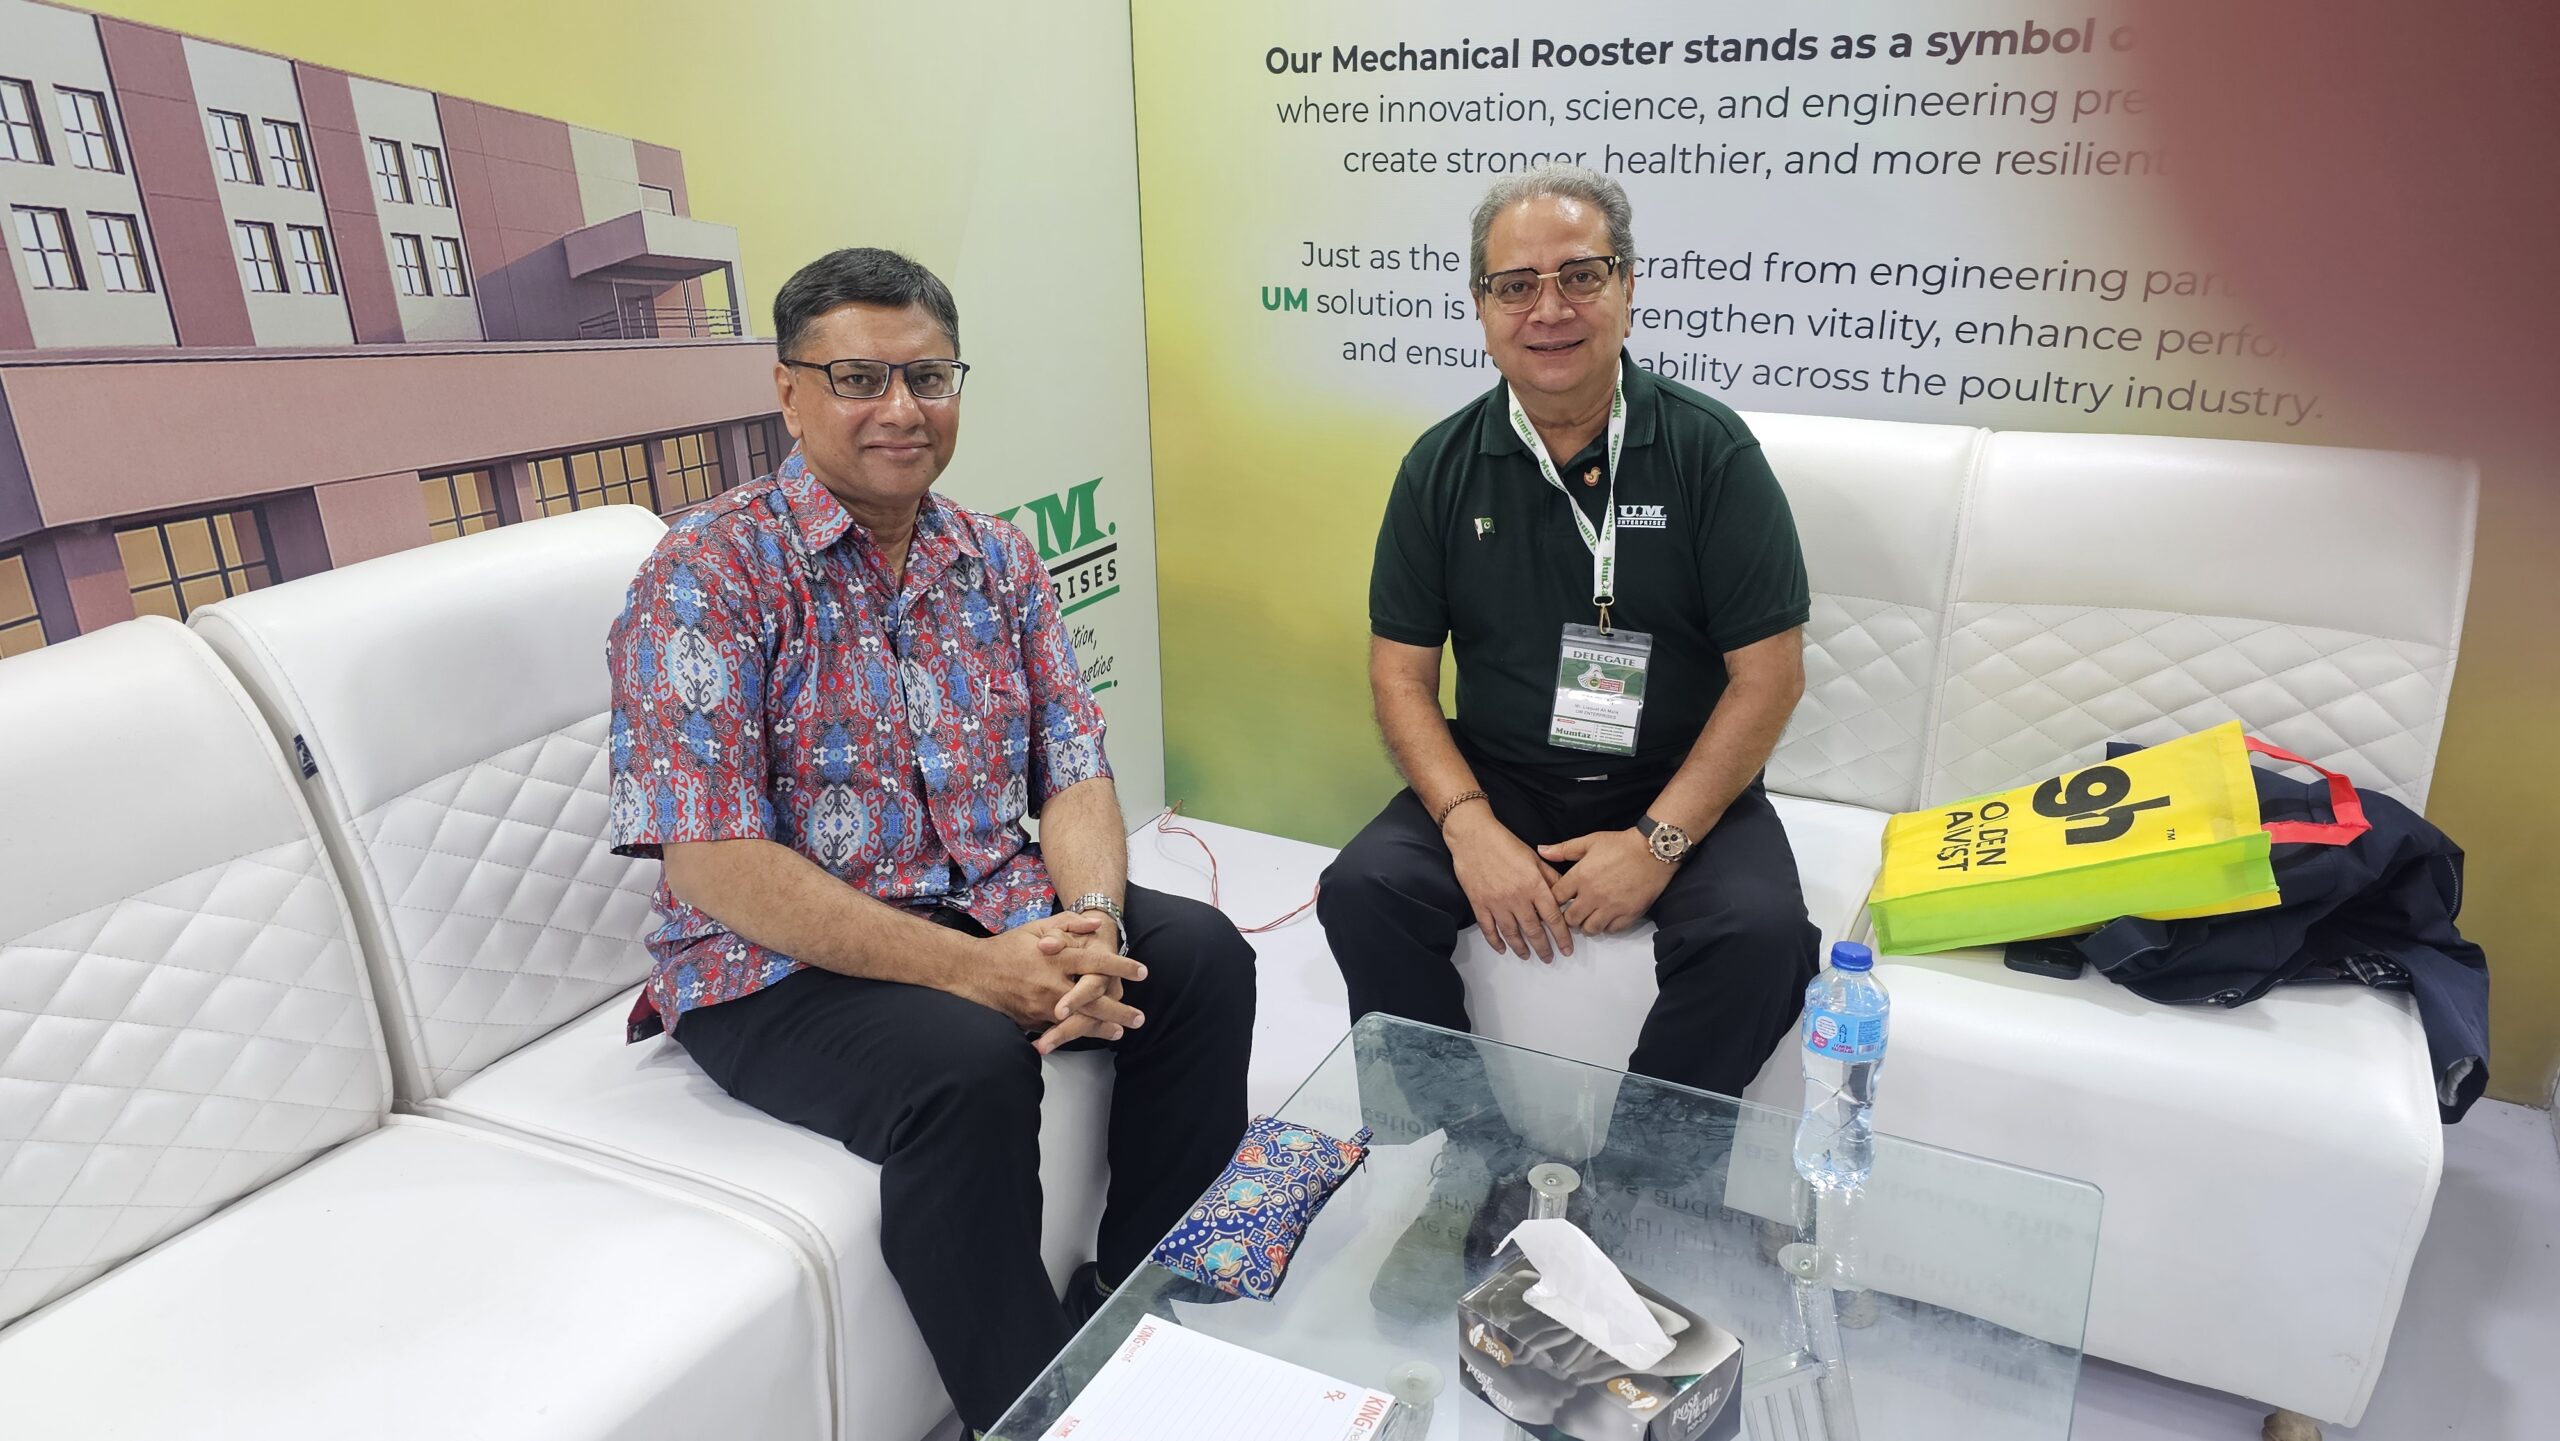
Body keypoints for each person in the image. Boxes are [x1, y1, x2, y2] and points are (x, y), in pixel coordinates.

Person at [605, 247, 1254, 1434]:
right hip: (769, 965)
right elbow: (709, 857)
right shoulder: (706, 572)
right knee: (968, 1063)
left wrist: (1094, 924)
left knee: (1200, 958)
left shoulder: (996, 556)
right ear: (789, 391)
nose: (901, 409)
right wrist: (978, 973)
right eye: (859, 378)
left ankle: (1139, 1310)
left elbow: (1075, 765)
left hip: (984, 896)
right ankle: (1035, 1408)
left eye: (928, 376)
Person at [1317, 166, 1820, 1290]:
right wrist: (1467, 826)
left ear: (1627, 288)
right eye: (1516, 284)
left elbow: (1769, 678)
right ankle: (1473, 1162)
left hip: (1675, 774)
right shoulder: (1441, 466)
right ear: (1481, 306)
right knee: (1364, 888)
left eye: (1579, 276)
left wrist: (1658, 843)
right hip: (1501, 773)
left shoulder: (1709, 453)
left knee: (1760, 938)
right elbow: (1401, 677)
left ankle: (1629, 1188)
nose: (1548, 308)